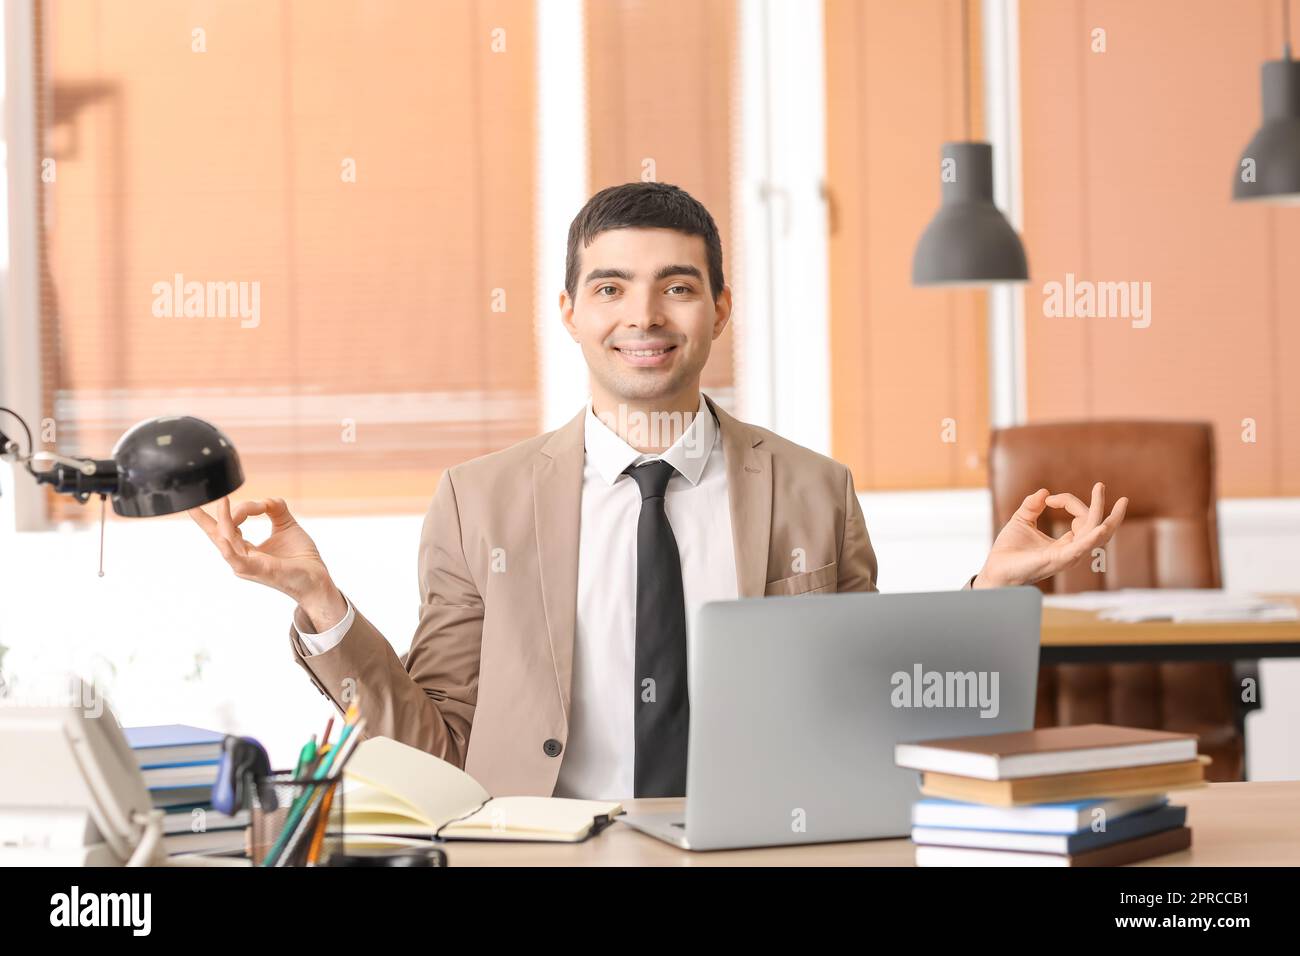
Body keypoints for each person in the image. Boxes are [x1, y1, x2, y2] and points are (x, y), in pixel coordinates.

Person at [190, 182, 1127, 800]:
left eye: (677, 287)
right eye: (610, 289)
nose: (643, 316)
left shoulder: (813, 490)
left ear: (721, 308)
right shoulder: (480, 504)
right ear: (570, 313)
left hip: (760, 855)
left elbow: (865, 711)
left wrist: (998, 589)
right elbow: (436, 752)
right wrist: (318, 600)